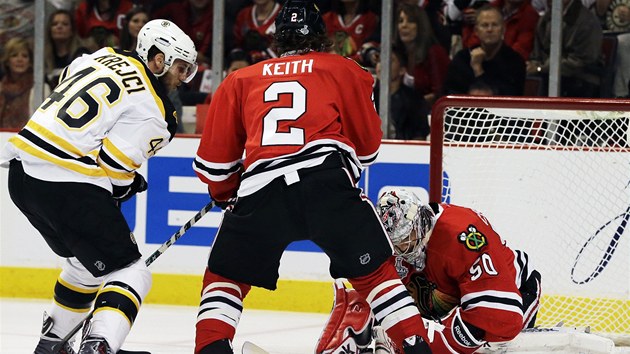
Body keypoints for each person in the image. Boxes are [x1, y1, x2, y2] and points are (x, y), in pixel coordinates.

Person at [192, 1, 431, 353]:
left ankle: (212, 349)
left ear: (276, 39)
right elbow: (367, 151)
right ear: (323, 37)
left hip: (262, 189)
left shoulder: (239, 79)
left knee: (224, 279)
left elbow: (214, 167)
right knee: (378, 276)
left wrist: (227, 193)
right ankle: (416, 347)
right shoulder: (344, 69)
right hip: (327, 184)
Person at [1, 19, 197, 354]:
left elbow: (69, 84)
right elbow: (116, 169)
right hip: (66, 182)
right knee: (132, 271)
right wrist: (126, 184)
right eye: (181, 68)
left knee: (84, 264)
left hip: (21, 175)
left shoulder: (100, 56)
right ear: (159, 59)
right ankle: (100, 345)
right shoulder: (157, 110)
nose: (183, 78)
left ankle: (53, 344)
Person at [318, 188, 542, 353]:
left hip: (513, 293)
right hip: (450, 301)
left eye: (406, 239)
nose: (400, 248)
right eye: (395, 243)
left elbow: (500, 318)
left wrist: (429, 341)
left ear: (419, 222)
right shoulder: (393, 244)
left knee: (491, 344)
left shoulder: (461, 235)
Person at [526, 0, 603, 97]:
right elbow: (537, 54)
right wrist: (533, 64)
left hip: (581, 81)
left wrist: (541, 68)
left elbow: (581, 62)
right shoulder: (545, 20)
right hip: (548, 75)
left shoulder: (588, 22)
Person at [444, 5, 526, 96]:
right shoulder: (462, 59)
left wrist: (478, 69)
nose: (490, 29)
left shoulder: (514, 61)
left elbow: (507, 97)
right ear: (476, 31)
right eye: (485, 25)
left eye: (494, 25)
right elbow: (451, 94)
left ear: (503, 29)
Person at [395, 4, 450, 106]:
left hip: (432, 113)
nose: (404, 25)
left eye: (410, 21)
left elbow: (439, 93)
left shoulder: (435, 52)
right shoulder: (398, 54)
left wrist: (412, 106)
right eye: (400, 21)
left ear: (420, 26)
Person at [374, 45, 430, 140]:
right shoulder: (366, 97)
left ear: (402, 70)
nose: (382, 64)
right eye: (379, 60)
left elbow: (419, 136)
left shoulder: (415, 100)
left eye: (390, 60)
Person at [0, 37, 47, 129]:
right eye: (14, 55)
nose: (20, 60)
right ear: (7, 61)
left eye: (24, 56)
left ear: (30, 62)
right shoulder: (1, 88)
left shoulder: (41, 89)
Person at [44, 9, 90, 89]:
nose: (59, 27)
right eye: (55, 24)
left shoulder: (82, 55)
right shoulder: (43, 58)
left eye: (65, 24)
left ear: (72, 30)